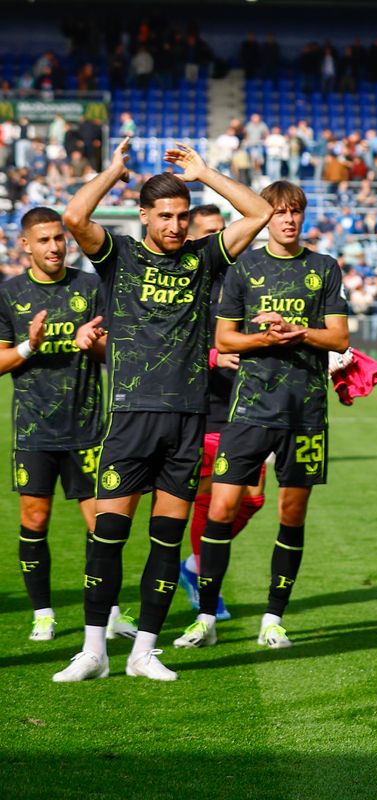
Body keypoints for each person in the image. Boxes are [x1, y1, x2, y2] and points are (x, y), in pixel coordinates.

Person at [52, 138, 272, 683]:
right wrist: (113, 171)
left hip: (188, 419)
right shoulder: (119, 255)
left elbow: (260, 212)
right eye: (165, 216)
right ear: (144, 214)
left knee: (167, 541)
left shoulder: (204, 257)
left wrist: (205, 171)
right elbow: (75, 215)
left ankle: (144, 651)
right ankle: (93, 651)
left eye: (182, 216)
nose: (175, 226)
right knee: (108, 534)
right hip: (130, 417)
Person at [173, 181, 349, 651]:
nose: (288, 219)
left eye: (295, 212)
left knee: (291, 515)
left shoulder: (324, 268)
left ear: (304, 216)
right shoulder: (244, 269)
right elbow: (225, 340)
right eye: (279, 211)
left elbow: (338, 339)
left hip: (305, 414)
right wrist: (265, 340)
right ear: (266, 216)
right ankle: (206, 617)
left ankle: (273, 618)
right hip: (248, 411)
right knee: (222, 508)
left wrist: (297, 331)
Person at [0, 208, 124, 641]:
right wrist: (29, 346)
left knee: (102, 526)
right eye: (45, 240)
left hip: (88, 428)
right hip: (34, 432)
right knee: (35, 520)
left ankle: (107, 612)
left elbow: (115, 354)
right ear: (25, 245)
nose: (54, 247)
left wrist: (91, 344)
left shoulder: (90, 287)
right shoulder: (9, 294)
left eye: (59, 239)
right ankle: (43, 614)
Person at [177, 205, 268, 622]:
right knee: (211, 499)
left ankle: (195, 566)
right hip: (206, 407)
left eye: (223, 231)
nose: (219, 239)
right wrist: (214, 355)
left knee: (252, 498)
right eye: (209, 232)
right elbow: (168, 343)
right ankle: (204, 579)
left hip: (249, 403)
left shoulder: (245, 277)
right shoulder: (188, 281)